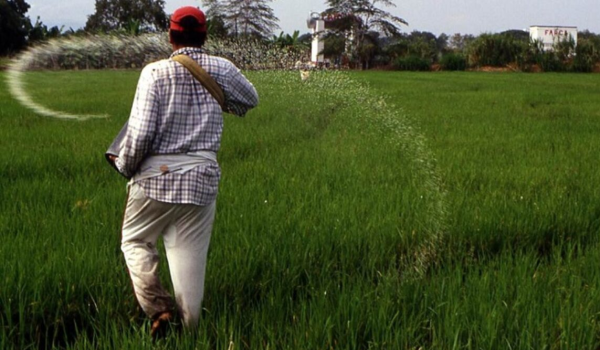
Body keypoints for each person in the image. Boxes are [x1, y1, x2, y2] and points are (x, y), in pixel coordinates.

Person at [109, 5, 259, 338]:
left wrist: (123, 165)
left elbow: (142, 132)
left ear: (171, 34)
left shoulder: (154, 72)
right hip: (201, 180)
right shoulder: (222, 68)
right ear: (204, 36)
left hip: (155, 178)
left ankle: (159, 308)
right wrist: (222, 102)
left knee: (135, 240)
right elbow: (251, 99)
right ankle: (191, 332)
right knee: (189, 261)